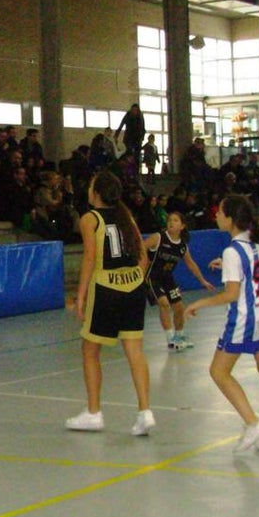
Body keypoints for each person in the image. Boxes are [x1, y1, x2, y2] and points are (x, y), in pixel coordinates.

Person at [185, 195, 259, 453]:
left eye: (219, 212)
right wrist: (227, 265)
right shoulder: (258, 244)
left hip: (245, 318)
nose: (216, 216)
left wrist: (198, 304)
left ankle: (253, 423)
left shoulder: (232, 251)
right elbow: (252, 271)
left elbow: (231, 295)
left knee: (218, 372)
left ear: (231, 219)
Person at [67, 170, 154, 437]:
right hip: (133, 287)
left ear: (97, 192)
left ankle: (94, 413)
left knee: (90, 351)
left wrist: (80, 296)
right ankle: (145, 412)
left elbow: (90, 260)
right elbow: (143, 256)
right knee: (134, 350)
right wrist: (136, 278)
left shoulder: (89, 219)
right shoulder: (126, 216)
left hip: (106, 288)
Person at [144, 211, 216, 351]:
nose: (171, 222)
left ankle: (179, 335)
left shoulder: (182, 246)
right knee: (164, 304)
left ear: (182, 226)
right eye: (170, 220)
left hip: (168, 278)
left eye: (175, 220)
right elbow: (140, 248)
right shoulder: (158, 237)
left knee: (179, 307)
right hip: (152, 277)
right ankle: (170, 339)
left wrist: (203, 281)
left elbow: (191, 264)